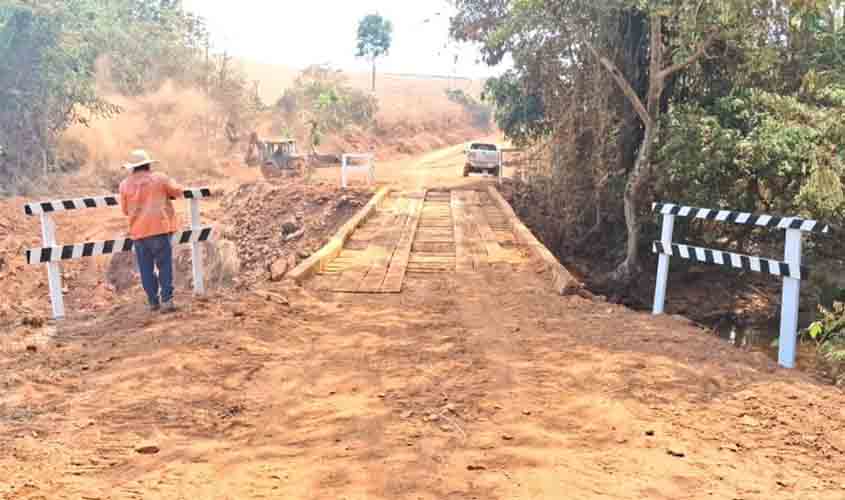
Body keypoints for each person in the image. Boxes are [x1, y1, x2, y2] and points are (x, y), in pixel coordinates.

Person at [119, 150, 183, 313]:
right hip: (159, 229)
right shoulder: (159, 178)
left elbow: (125, 210)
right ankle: (167, 301)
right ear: (148, 164)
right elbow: (178, 191)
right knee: (164, 266)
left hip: (138, 233)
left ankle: (153, 301)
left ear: (132, 168)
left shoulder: (124, 185)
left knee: (145, 269)